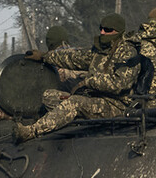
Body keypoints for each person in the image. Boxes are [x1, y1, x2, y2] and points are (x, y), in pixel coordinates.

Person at [16, 13, 139, 141]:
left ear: (118, 31)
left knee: (74, 103)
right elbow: (73, 58)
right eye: (101, 28)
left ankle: (31, 131)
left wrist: (90, 82)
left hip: (116, 106)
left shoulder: (128, 52)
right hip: (94, 99)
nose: (102, 32)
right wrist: (44, 56)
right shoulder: (100, 51)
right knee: (49, 95)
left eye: (107, 30)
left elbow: (120, 84)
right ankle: (76, 119)